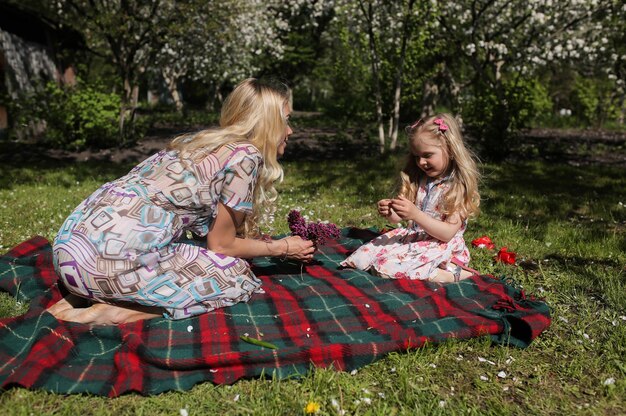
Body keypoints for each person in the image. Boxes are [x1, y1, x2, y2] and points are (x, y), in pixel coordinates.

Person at [47, 78, 315, 325]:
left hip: (70, 247)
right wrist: (281, 247)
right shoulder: (245, 156)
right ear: (268, 122)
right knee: (235, 275)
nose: (290, 130)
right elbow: (221, 246)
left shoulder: (196, 141)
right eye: (286, 120)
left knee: (194, 251)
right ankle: (115, 311)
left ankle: (79, 294)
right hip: (107, 260)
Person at [340, 114, 480, 282]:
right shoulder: (418, 178)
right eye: (416, 156)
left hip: (439, 244)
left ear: (450, 149)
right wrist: (391, 211)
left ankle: (450, 274)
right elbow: (398, 218)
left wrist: (416, 215)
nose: (421, 162)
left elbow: (447, 233)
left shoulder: (457, 187)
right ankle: (426, 269)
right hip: (413, 237)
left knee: (387, 269)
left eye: (427, 155)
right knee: (364, 258)